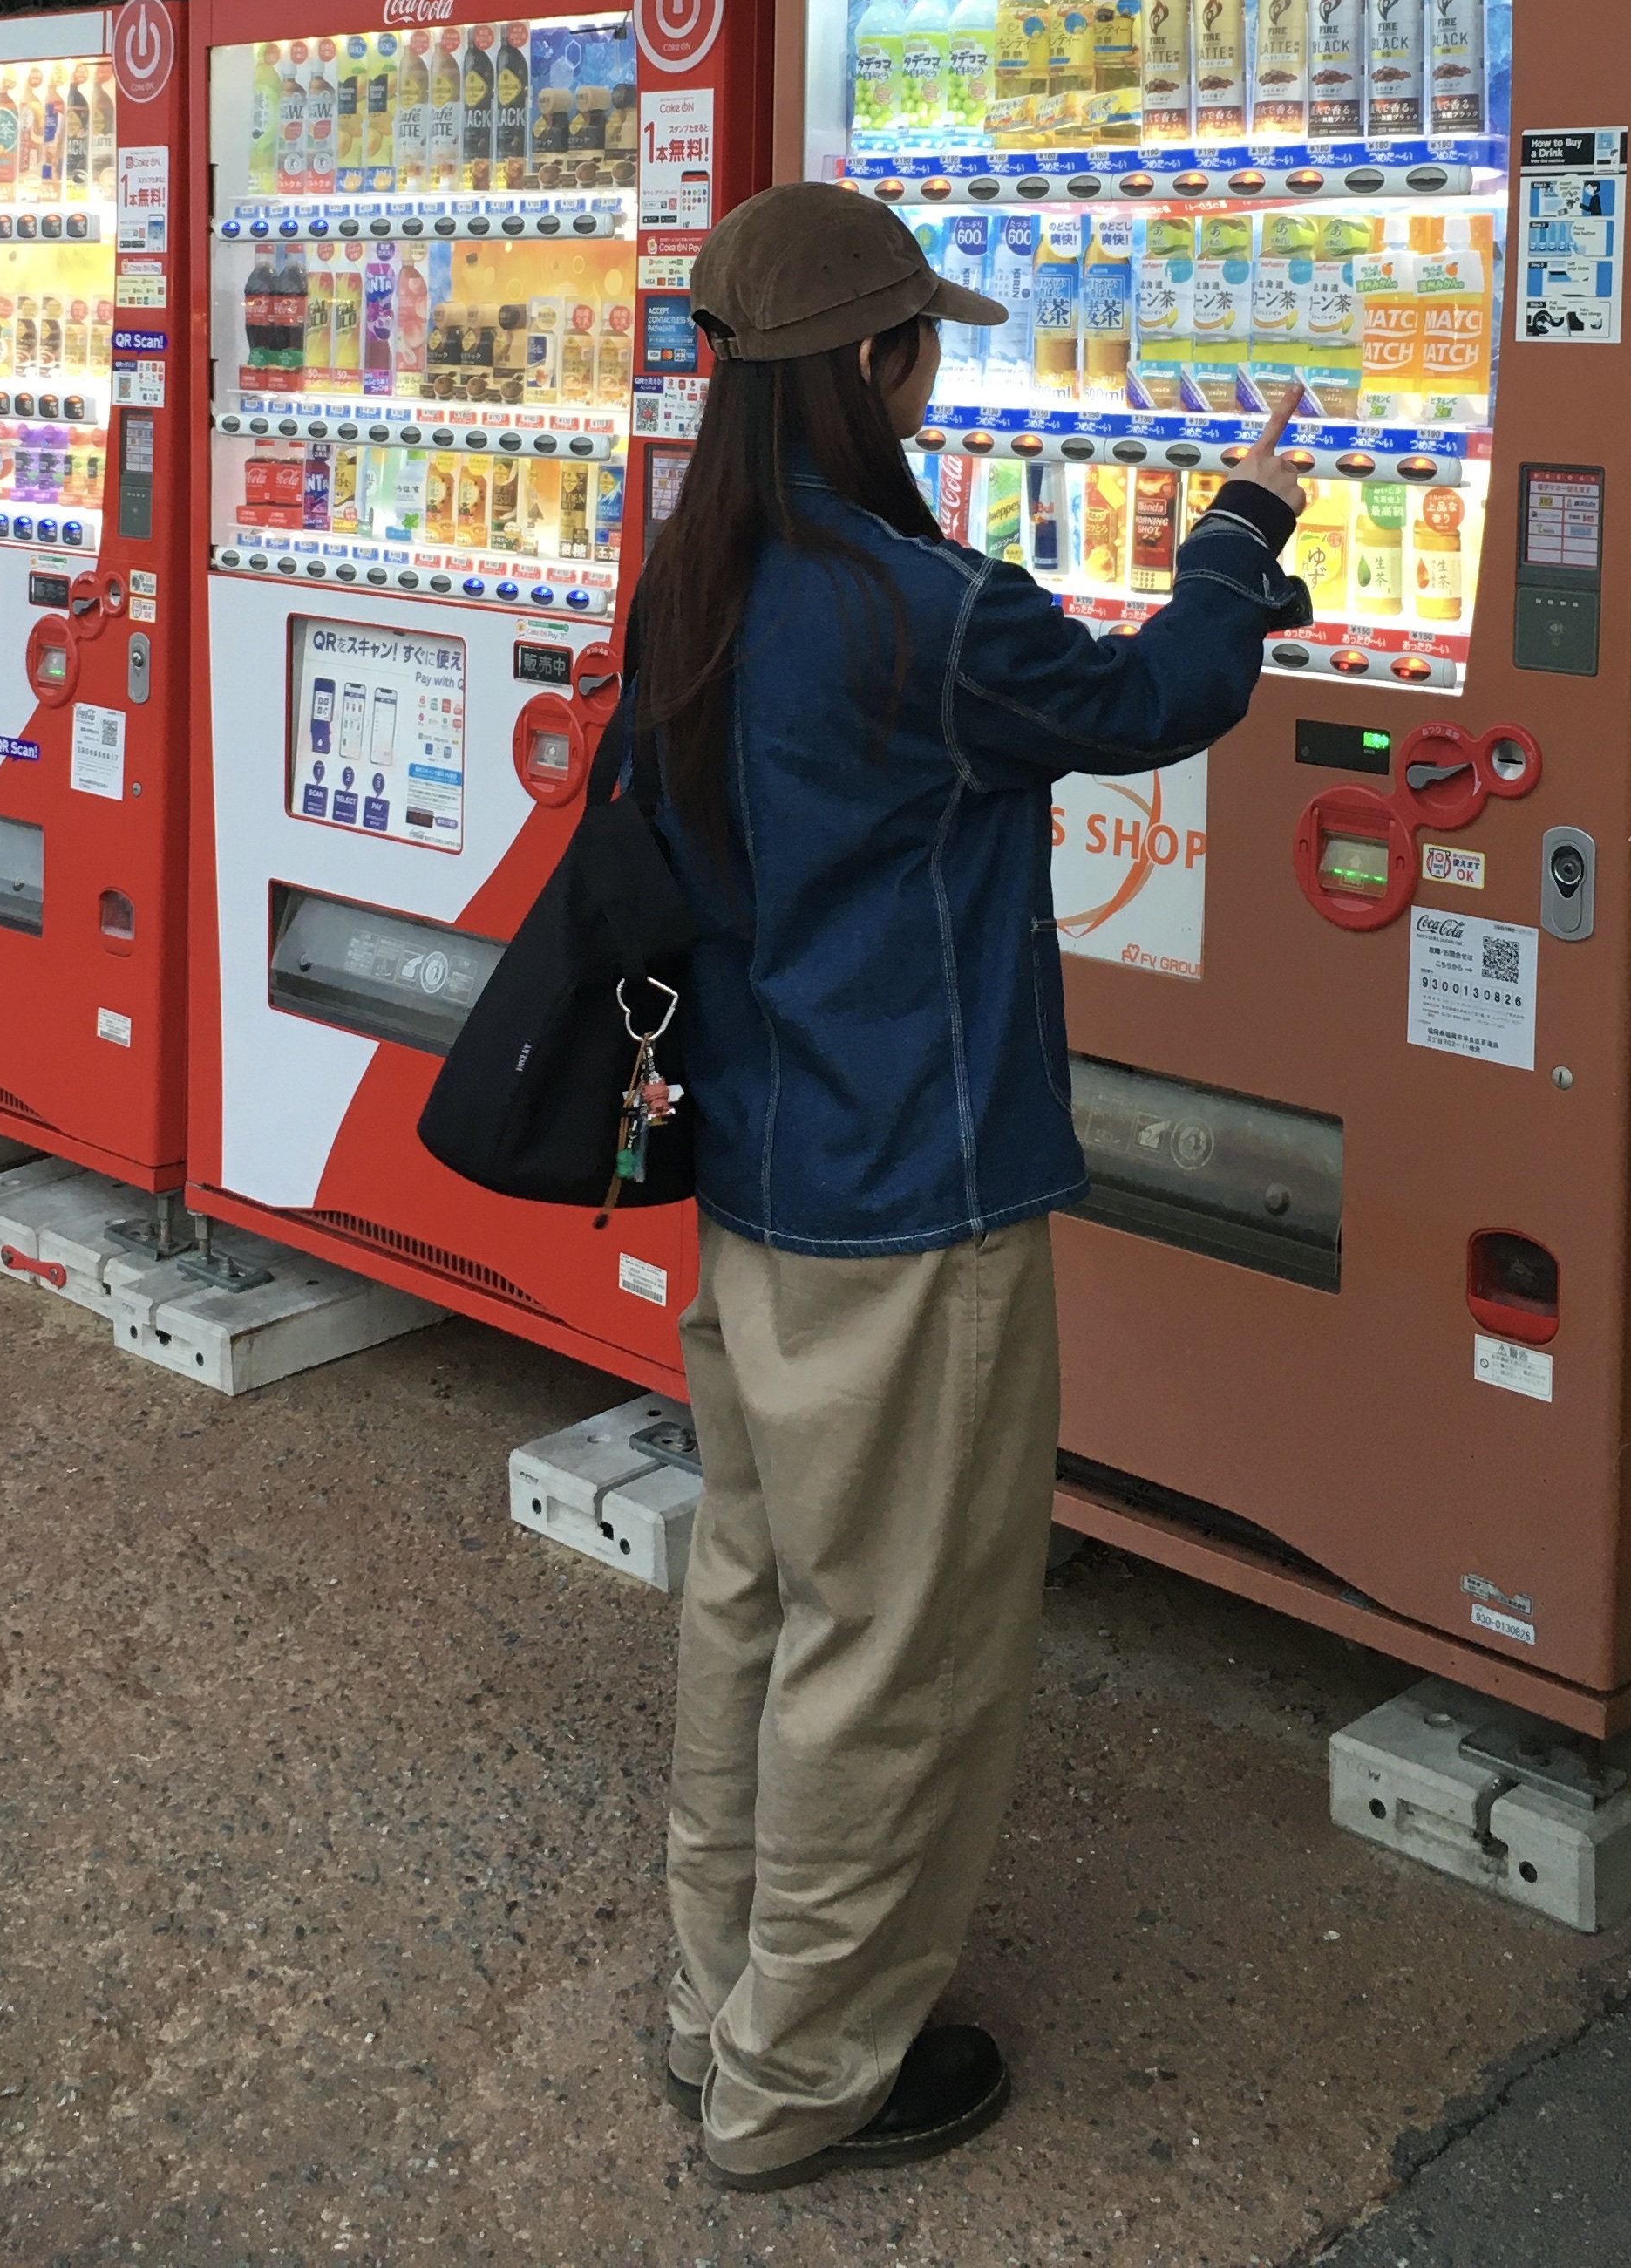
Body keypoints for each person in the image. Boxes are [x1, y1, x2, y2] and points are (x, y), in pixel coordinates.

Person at [629, 177, 1308, 2190]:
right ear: (863, 366)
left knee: (756, 1604)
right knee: (896, 1655)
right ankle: (804, 2085)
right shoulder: (916, 613)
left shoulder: (702, 574)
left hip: (754, 1179)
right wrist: (1238, 535)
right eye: (917, 343)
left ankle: (718, 2007)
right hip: (905, 1204)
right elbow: (1154, 702)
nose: (930, 373)